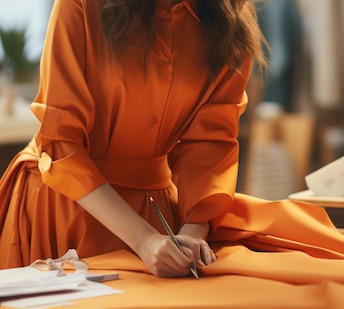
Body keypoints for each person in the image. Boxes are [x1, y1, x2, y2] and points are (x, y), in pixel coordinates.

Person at [0, 0, 267, 277]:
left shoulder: (230, 24)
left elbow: (211, 145)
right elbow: (60, 141)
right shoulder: (80, 5)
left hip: (159, 220)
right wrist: (144, 239)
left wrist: (192, 233)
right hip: (63, 208)